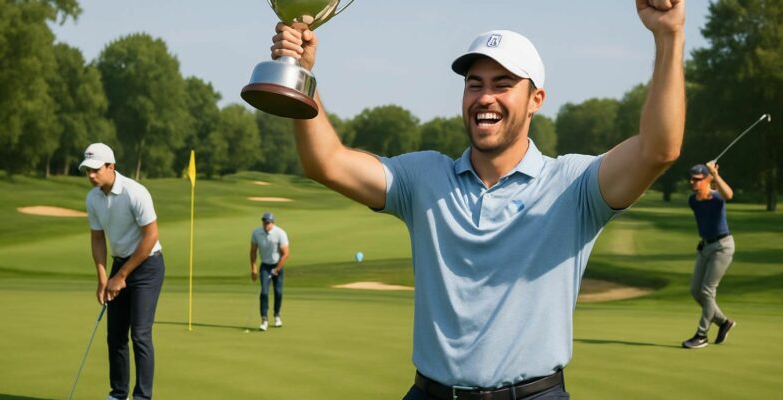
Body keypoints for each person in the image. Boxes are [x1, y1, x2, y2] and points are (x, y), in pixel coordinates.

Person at [270, 0, 685, 397]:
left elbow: (658, 150)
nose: (485, 97)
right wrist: (302, 74)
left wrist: (668, 36)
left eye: (503, 84)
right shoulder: (424, 178)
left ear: (536, 100)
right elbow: (327, 163)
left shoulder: (573, 185)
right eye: (475, 84)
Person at [80, 143, 165, 400]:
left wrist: (121, 276)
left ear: (111, 166)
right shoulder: (92, 198)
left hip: (147, 266)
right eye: (87, 170)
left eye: (96, 169)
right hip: (119, 265)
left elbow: (151, 236)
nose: (91, 175)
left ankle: (142, 397)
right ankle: (118, 394)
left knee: (140, 334)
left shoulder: (135, 192)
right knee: (115, 335)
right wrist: (103, 278)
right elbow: (97, 238)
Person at [682, 162, 736, 349]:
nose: (692, 182)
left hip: (722, 247)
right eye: (691, 179)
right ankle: (723, 322)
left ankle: (702, 335)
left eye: (697, 179)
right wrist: (710, 176)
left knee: (707, 291)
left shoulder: (717, 198)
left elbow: (728, 195)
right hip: (705, 247)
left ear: (707, 179)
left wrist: (715, 174)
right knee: (695, 291)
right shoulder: (693, 200)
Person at [250, 212, 290, 331]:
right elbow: (253, 251)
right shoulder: (256, 232)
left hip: (278, 265)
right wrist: (254, 268)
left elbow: (286, 254)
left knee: (278, 292)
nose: (266, 224)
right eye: (264, 222)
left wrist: (277, 269)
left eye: (268, 222)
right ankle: (264, 319)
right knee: (264, 293)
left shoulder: (280, 233)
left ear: (273, 223)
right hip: (265, 267)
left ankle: (277, 315)